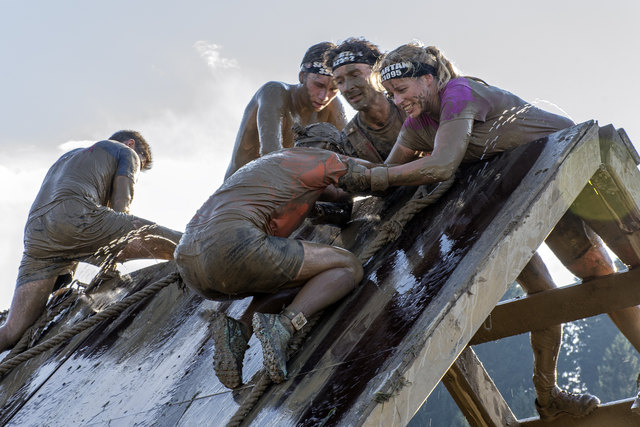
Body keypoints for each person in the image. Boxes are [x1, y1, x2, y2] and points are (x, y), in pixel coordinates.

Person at [337, 42, 640, 422]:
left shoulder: (459, 93)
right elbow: (386, 178)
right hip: (537, 186)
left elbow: (443, 164)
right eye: (392, 94)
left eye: (402, 91)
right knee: (582, 280)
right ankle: (550, 397)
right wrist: (338, 189)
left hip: (580, 166)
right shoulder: (417, 127)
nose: (398, 102)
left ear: (428, 80)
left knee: (625, 266)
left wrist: (370, 175)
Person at [175, 123, 370, 388]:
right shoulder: (316, 160)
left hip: (191, 264)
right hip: (234, 247)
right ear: (327, 149)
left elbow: (337, 205)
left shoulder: (270, 165)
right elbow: (370, 178)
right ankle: (286, 325)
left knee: (297, 275)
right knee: (348, 267)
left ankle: (239, 331)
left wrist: (324, 208)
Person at [0, 130, 182, 354]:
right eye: (141, 165)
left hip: (36, 236)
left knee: (12, 330)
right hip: (76, 217)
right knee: (183, 245)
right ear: (131, 143)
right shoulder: (125, 151)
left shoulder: (68, 158)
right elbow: (120, 205)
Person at [224, 42, 347, 180]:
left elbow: (349, 155)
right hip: (242, 187)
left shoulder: (332, 105)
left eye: (333, 89)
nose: (324, 97)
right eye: (318, 85)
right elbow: (270, 155)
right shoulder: (274, 92)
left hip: (289, 185)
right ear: (302, 77)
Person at [324, 37, 407, 163]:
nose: (347, 87)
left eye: (355, 75)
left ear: (377, 73)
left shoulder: (411, 109)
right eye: (339, 82)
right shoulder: (348, 141)